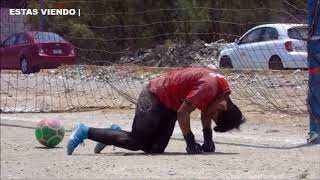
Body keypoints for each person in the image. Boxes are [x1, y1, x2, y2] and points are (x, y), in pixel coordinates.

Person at [67, 68, 245, 155]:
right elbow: (184, 113)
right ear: (222, 107)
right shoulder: (210, 88)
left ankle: (113, 133)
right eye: (215, 116)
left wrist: (208, 141)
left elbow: (206, 112)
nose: (209, 116)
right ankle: (85, 131)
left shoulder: (222, 94)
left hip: (170, 106)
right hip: (154, 95)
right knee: (135, 142)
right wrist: (191, 142)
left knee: (155, 149)